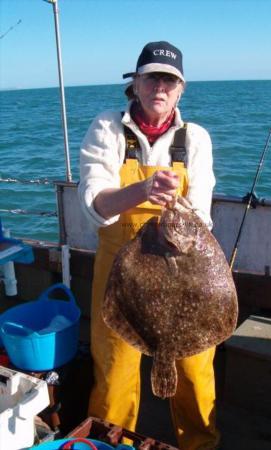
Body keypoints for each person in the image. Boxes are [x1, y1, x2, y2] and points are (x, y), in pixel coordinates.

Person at [78, 41, 219, 450]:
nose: (160, 86)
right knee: (115, 373)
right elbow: (96, 205)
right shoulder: (107, 128)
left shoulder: (195, 138)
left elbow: (202, 217)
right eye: (152, 77)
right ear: (135, 83)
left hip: (184, 271)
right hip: (123, 272)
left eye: (169, 80)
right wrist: (141, 190)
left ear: (181, 90)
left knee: (195, 371)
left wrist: (177, 209)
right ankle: (108, 443)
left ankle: (201, 444)